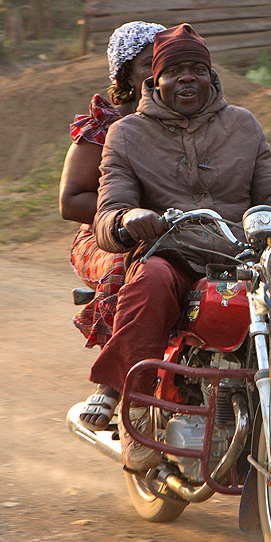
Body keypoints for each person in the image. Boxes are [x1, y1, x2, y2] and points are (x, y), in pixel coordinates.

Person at [82, 24, 271, 470]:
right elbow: (107, 213)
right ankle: (133, 404)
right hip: (173, 254)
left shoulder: (243, 124)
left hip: (246, 256)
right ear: (154, 80)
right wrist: (127, 220)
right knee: (150, 280)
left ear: (212, 75)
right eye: (174, 70)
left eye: (197, 68)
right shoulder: (127, 135)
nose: (187, 78)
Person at [59, 21, 166, 354]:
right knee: (132, 266)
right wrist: (126, 217)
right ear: (125, 76)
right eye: (148, 64)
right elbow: (71, 200)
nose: (160, 72)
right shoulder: (105, 126)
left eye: (165, 61)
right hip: (106, 237)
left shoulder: (198, 121)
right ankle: (115, 378)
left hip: (179, 227)